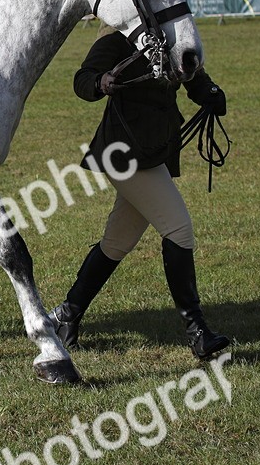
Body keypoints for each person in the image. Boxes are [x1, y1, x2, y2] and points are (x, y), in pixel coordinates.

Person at [49, 26, 232, 362]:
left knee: (115, 244)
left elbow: (191, 74)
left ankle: (65, 316)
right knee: (179, 231)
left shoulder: (171, 39)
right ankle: (198, 334)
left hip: (154, 150)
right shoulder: (116, 39)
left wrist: (209, 91)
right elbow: (82, 80)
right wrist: (101, 82)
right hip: (124, 153)